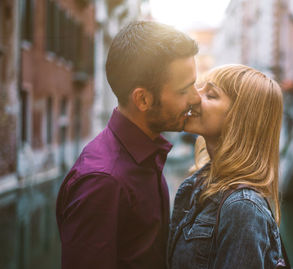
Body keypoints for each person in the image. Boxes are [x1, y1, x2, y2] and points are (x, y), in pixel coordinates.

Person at [56, 21, 201, 269]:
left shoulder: (145, 154)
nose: (196, 98)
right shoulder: (102, 182)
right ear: (143, 99)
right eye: (183, 90)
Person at [167, 64, 288, 269]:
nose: (195, 96)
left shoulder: (243, 209)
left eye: (211, 94)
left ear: (239, 119)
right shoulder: (197, 184)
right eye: (201, 87)